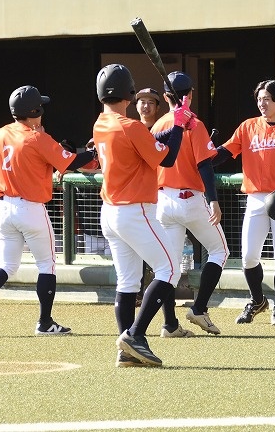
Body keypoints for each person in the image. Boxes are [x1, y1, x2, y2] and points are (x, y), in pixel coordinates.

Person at [0, 85, 96, 336]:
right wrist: (95, 152)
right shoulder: (36, 137)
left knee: (7, 266)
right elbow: (72, 162)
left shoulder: (0, 134)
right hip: (30, 208)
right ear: (35, 111)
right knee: (47, 265)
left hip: (3, 206)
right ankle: (45, 322)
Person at [92, 63, 194, 367]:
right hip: (135, 210)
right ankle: (135, 335)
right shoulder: (131, 126)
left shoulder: (101, 123)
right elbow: (168, 157)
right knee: (170, 270)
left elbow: (149, 142)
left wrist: (176, 123)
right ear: (129, 92)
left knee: (127, 282)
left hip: (111, 212)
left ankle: (127, 351)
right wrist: (178, 125)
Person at [213, 79, 275, 326]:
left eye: (267, 99)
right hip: (255, 197)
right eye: (259, 99)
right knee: (249, 256)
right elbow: (225, 152)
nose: (262, 103)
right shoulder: (248, 126)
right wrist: (204, 157)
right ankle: (257, 300)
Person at [152, 71, 230, 336]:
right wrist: (213, 200)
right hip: (191, 200)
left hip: (163, 200)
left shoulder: (159, 125)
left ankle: (169, 325)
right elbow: (205, 166)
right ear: (191, 94)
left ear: (165, 97)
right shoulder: (193, 123)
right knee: (219, 252)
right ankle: (199, 308)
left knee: (169, 268)